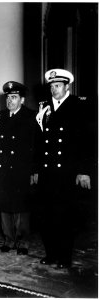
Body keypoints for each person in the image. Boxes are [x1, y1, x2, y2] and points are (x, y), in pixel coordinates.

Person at [33, 69, 92, 268]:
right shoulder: (45, 108)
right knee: (47, 215)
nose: (54, 89)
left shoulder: (79, 106)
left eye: (57, 85)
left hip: (68, 172)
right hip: (48, 171)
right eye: (51, 86)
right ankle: (51, 254)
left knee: (65, 217)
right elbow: (39, 143)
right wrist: (36, 169)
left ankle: (64, 258)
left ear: (67, 86)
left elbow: (87, 141)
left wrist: (84, 170)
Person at [0, 81, 38, 255]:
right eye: (8, 97)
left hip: (22, 170)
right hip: (3, 169)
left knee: (21, 207)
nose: (10, 101)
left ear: (22, 99)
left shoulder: (31, 117)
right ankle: (8, 240)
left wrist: (34, 170)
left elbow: (36, 146)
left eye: (14, 97)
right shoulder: (0, 117)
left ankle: (22, 241)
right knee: (4, 206)